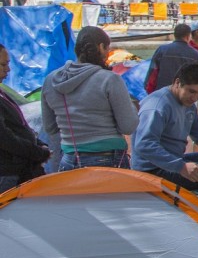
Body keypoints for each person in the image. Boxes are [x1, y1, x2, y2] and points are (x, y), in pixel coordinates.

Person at [40, 26, 138, 170]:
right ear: (100, 47)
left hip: (70, 160)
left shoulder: (50, 80)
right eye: (107, 49)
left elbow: (50, 127)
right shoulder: (110, 79)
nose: (107, 54)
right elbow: (128, 126)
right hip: (108, 161)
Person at [0, 43, 51, 190]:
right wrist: (38, 152)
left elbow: (18, 127)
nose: (8, 69)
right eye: (3, 64)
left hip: (17, 171)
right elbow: (5, 138)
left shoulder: (3, 93)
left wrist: (39, 144)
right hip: (7, 174)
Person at [145, 23, 198, 93]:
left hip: (162, 92)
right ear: (188, 36)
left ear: (175, 35)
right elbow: (197, 79)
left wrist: (150, 92)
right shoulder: (196, 55)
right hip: (184, 95)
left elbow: (152, 73)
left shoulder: (162, 50)